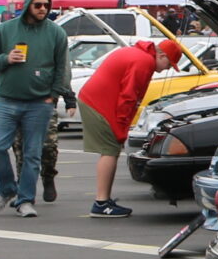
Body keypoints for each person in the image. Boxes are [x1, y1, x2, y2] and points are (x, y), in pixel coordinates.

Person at [0, 0, 72, 219]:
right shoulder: (6, 30)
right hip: (7, 100)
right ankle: (7, 190)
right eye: (38, 5)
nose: (43, 9)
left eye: (46, 5)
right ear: (28, 4)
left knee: (33, 154)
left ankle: (26, 200)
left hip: (40, 103)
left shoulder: (56, 33)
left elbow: (62, 68)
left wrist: (53, 96)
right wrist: (6, 58)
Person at [74, 38, 184, 218]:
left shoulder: (139, 54)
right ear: (161, 55)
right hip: (99, 104)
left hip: (95, 100)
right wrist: (122, 124)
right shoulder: (144, 61)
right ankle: (101, 203)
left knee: (111, 150)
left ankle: (104, 200)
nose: (167, 69)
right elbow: (129, 95)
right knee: (109, 150)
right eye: (169, 64)